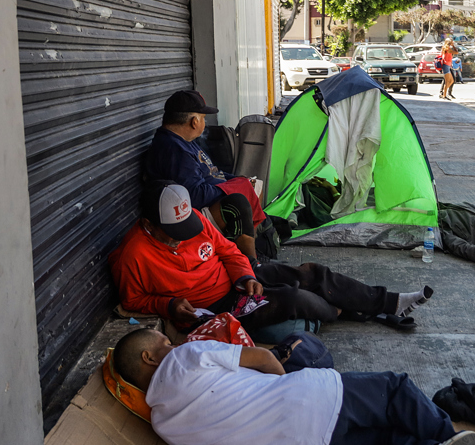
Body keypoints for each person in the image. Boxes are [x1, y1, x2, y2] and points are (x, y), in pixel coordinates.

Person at [114, 327, 475, 445]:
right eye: (162, 340)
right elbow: (264, 361)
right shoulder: (187, 355)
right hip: (311, 402)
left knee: (388, 427)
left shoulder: (163, 425)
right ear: (149, 358)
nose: (171, 341)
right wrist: (283, 384)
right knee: (396, 389)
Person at [109, 181, 434, 343]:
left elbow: (229, 252)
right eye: (171, 234)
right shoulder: (132, 256)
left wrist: (246, 276)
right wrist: (168, 306)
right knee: (294, 298)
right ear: (149, 224)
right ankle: (363, 310)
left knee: (310, 273)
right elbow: (132, 300)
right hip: (216, 310)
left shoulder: (193, 220)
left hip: (237, 285)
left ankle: (387, 302)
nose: (181, 238)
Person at [145, 90, 267, 260]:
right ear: (194, 122)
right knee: (238, 202)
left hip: (210, 195)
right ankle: (251, 262)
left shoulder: (184, 141)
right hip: (194, 213)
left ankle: (252, 245)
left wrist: (238, 181)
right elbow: (194, 196)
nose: (204, 122)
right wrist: (229, 189)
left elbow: (214, 172)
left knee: (253, 184)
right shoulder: (173, 150)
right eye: (203, 118)